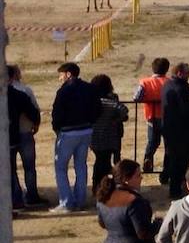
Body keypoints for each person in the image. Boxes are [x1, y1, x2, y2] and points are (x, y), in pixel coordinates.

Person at [50, 62, 100, 212]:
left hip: (68, 132)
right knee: (80, 165)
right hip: (86, 131)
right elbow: (98, 108)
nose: (60, 78)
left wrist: (57, 128)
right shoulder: (90, 88)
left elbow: (57, 113)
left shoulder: (64, 91)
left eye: (61, 75)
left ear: (68, 74)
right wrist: (90, 122)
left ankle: (66, 202)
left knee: (61, 167)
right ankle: (80, 200)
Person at [7, 66, 42, 208]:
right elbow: (34, 109)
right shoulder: (25, 90)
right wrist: (36, 124)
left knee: (11, 168)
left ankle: (16, 198)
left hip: (9, 135)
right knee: (29, 167)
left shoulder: (8, 92)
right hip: (26, 131)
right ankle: (32, 195)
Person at [160, 64, 189, 200]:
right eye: (187, 73)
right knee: (179, 162)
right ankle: (176, 190)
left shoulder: (168, 85)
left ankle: (173, 184)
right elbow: (186, 112)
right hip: (180, 131)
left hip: (170, 129)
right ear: (180, 73)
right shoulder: (180, 89)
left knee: (173, 159)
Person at [90, 74, 129, 189]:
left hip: (95, 137)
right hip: (110, 138)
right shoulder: (110, 102)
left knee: (100, 161)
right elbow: (124, 110)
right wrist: (117, 119)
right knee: (104, 162)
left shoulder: (92, 102)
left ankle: (97, 185)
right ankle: (105, 184)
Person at [132, 58, 169, 175]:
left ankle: (148, 160)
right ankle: (166, 170)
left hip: (152, 117)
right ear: (166, 69)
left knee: (152, 142)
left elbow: (136, 97)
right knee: (168, 144)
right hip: (167, 117)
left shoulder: (145, 82)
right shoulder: (170, 82)